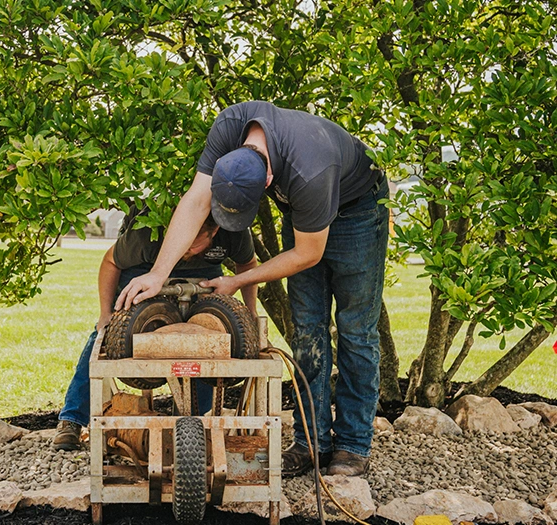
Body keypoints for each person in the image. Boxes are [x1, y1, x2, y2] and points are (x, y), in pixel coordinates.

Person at [116, 101, 389, 477]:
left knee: (356, 331)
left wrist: (238, 280)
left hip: (357, 210)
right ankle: (311, 443)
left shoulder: (310, 169)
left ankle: (352, 446)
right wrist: (158, 273)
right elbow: (196, 199)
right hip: (305, 211)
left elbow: (308, 254)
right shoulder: (230, 126)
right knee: (308, 329)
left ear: (266, 182)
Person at [53, 205, 257, 450]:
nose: (186, 250)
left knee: (209, 339)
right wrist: (106, 314)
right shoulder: (146, 232)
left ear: (214, 232)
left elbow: (247, 264)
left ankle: (193, 418)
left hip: (203, 272)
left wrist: (251, 311)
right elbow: (110, 262)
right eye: (184, 241)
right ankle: (72, 419)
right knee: (104, 337)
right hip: (145, 267)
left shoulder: (232, 228)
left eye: (194, 244)